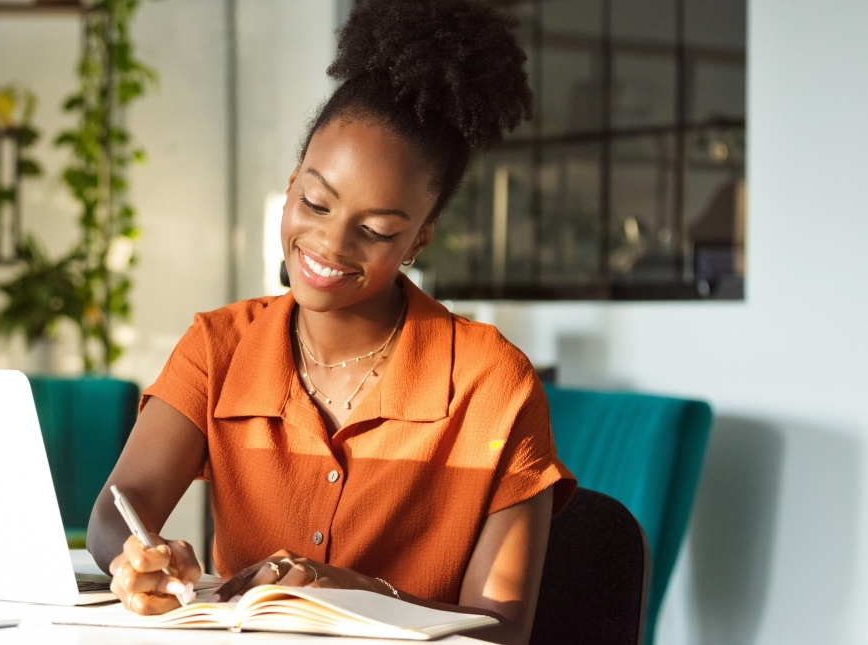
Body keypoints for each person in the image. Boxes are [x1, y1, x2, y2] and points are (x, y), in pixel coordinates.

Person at [88, 1, 576, 642]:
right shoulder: (220, 346)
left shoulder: (492, 383)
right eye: (314, 202)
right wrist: (142, 556)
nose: (329, 245)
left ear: (421, 238)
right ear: (291, 184)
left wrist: (354, 590)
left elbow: (502, 629)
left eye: (376, 230)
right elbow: (115, 513)